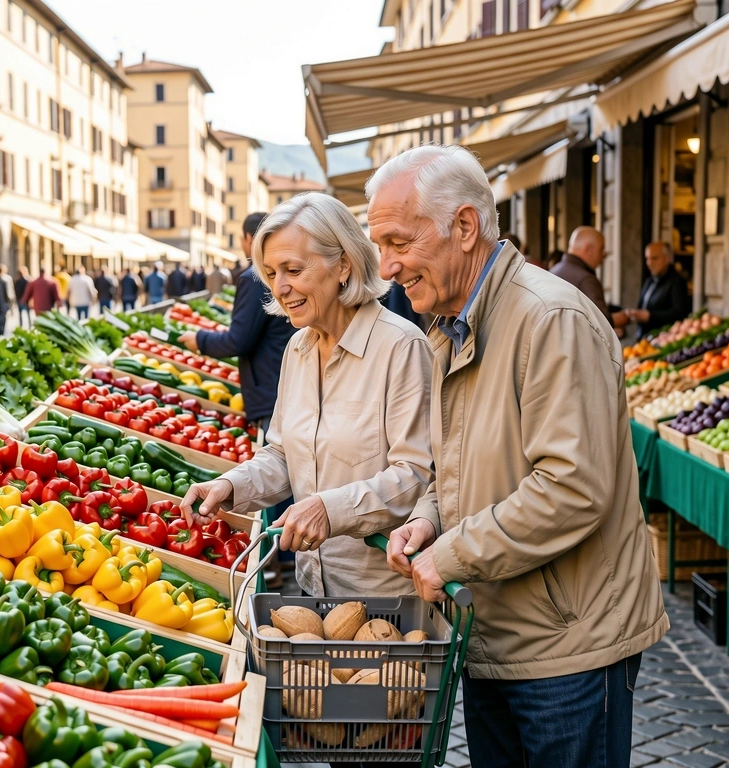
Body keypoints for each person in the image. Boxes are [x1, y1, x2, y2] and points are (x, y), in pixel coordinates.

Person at [371, 146, 666, 768]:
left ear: (465, 227)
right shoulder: (452, 325)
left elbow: (572, 488)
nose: (387, 266)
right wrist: (428, 518)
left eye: (398, 241)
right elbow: (462, 461)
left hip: (568, 645)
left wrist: (448, 553)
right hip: (496, 631)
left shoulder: (550, 318)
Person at [181, 193, 433, 597]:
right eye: (271, 273)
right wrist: (231, 486)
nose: (281, 287)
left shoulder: (401, 347)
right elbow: (281, 454)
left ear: (344, 265)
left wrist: (329, 509)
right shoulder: (298, 350)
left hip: (386, 598)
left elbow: (417, 477)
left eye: (293, 269)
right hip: (312, 589)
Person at [181, 213, 294, 434]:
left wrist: (200, 340)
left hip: (270, 389)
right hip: (284, 383)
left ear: (250, 239)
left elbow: (238, 340)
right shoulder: (281, 272)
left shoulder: (255, 277)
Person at [550, 226, 630, 329]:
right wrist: (622, 318)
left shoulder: (554, 270)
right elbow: (600, 323)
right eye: (601, 249)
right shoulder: (586, 279)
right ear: (589, 249)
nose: (604, 255)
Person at [628, 242, 691, 337]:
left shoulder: (676, 282)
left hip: (663, 338)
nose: (649, 263)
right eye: (647, 259)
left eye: (654, 258)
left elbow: (679, 313)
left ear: (666, 259)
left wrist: (650, 316)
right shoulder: (649, 281)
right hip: (643, 337)